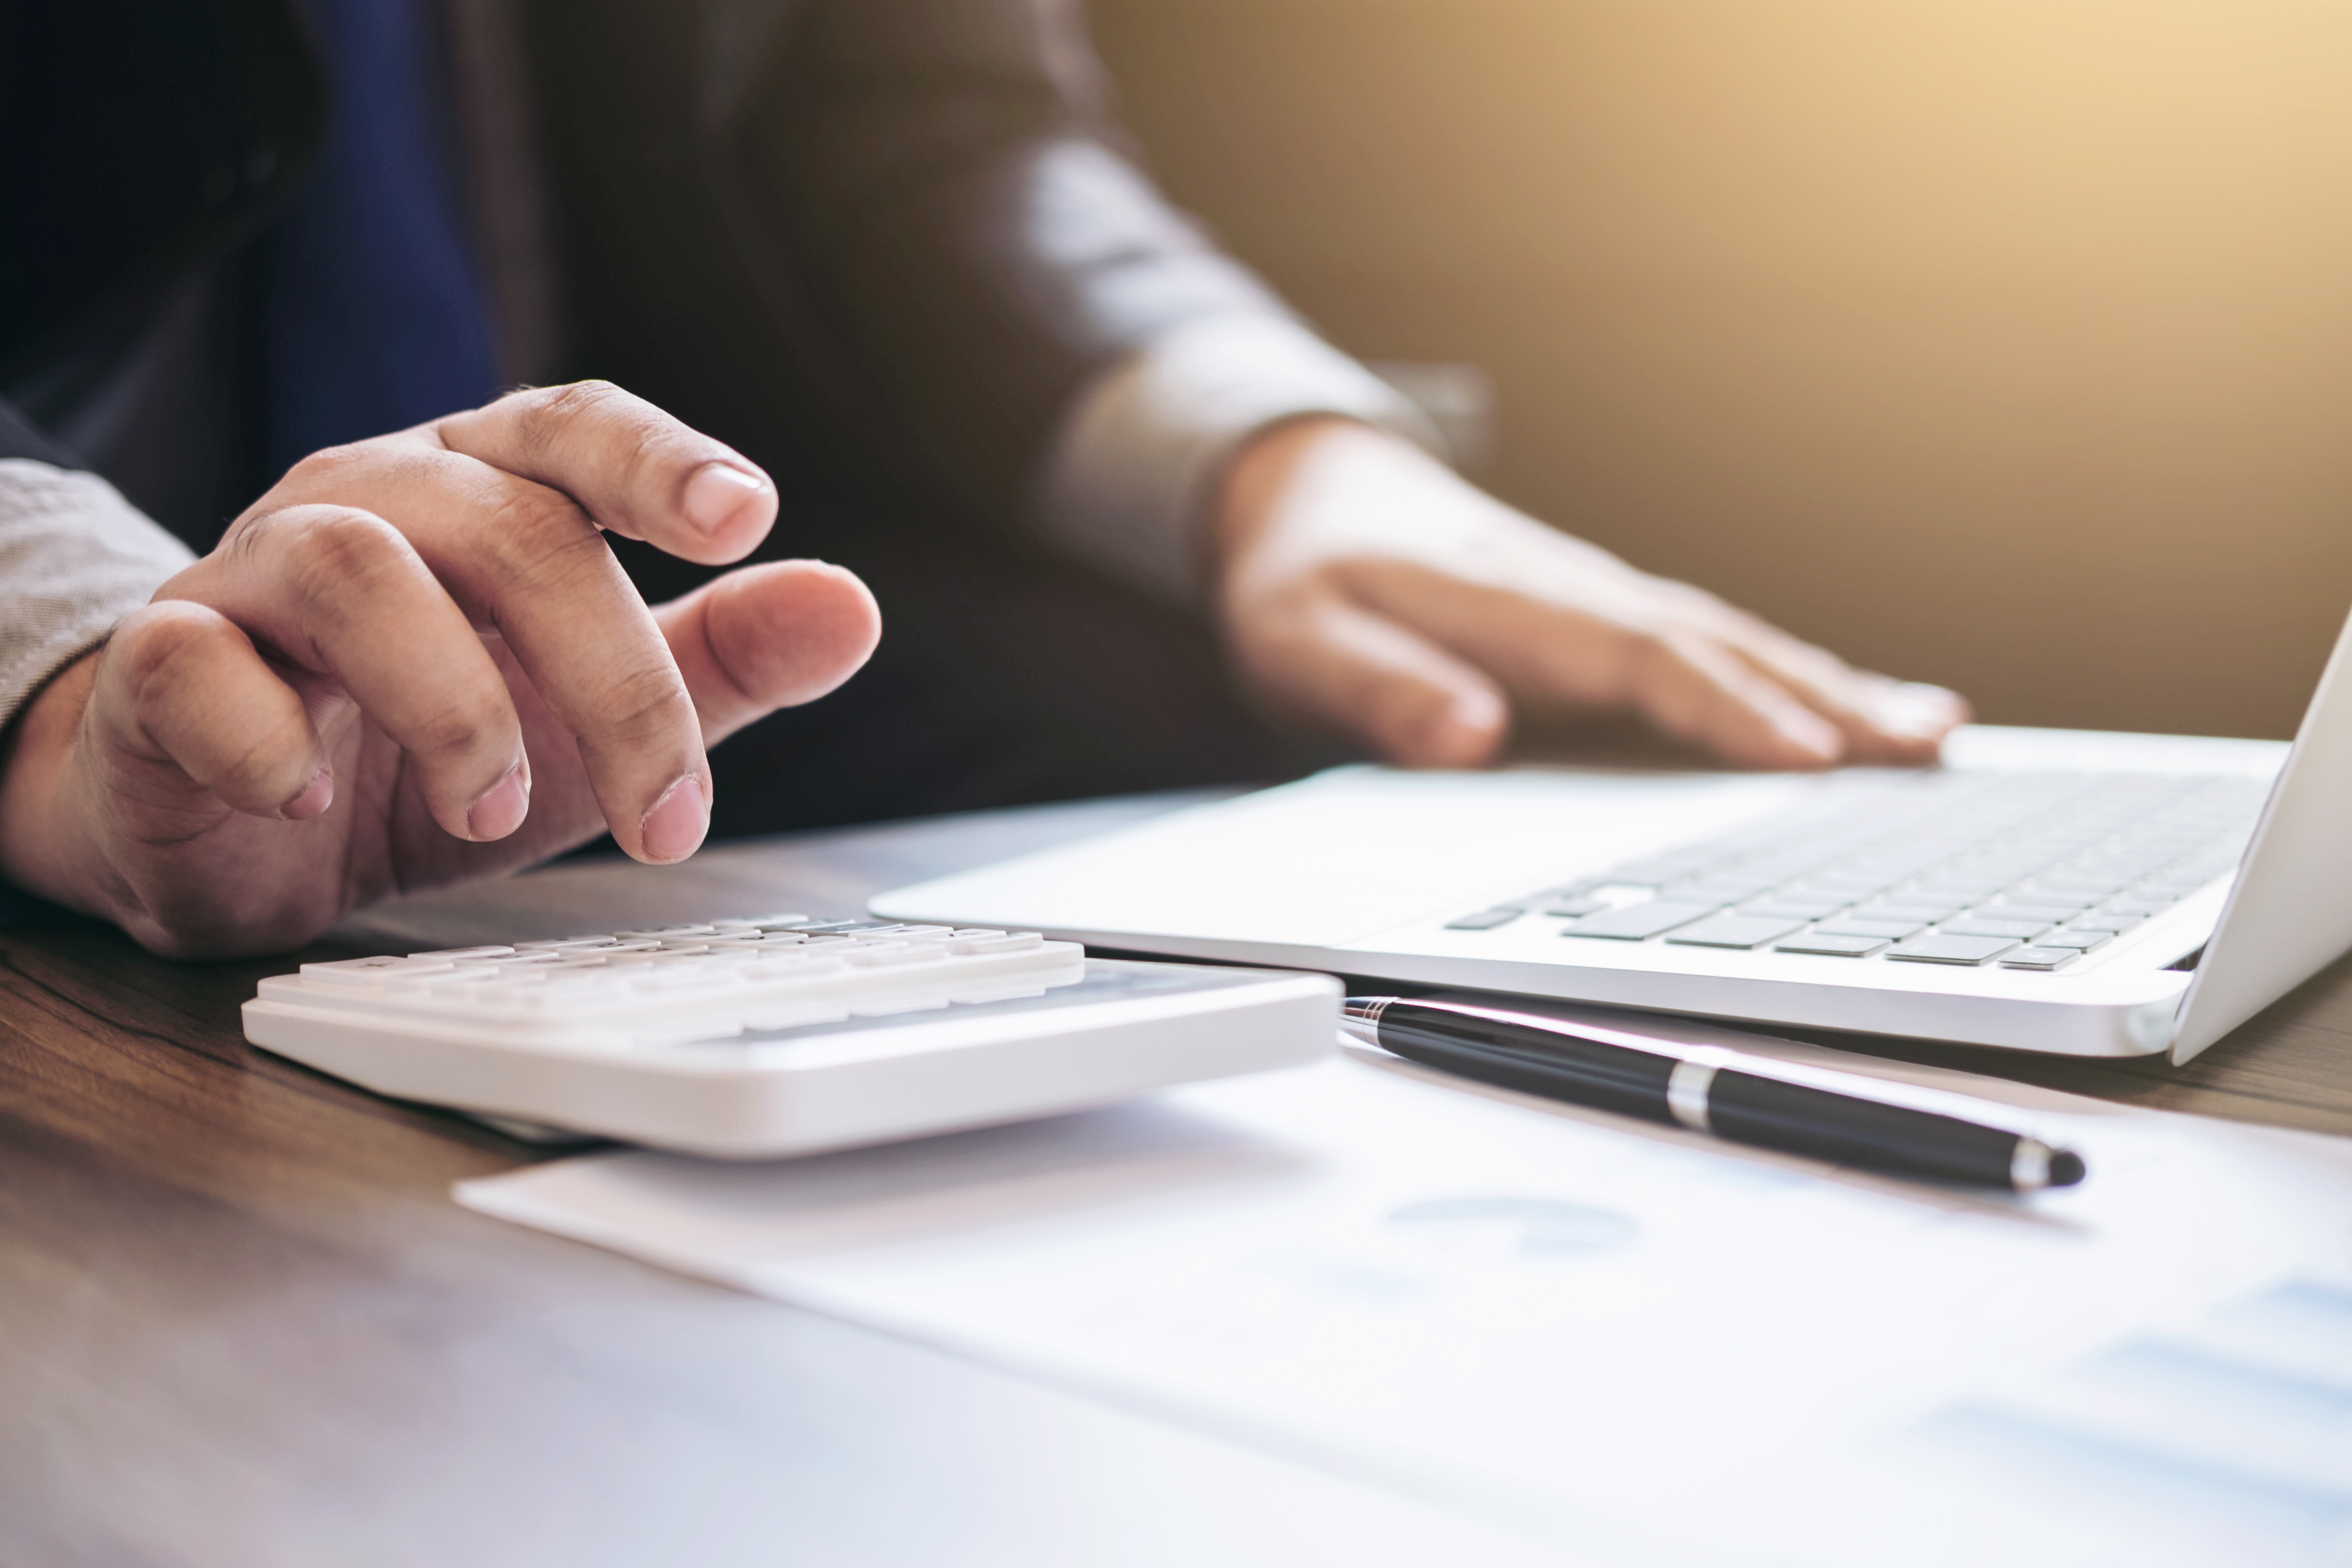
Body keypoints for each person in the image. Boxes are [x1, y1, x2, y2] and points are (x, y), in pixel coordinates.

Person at [0, 0, 1965, 959]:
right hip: (89, 633)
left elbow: (920, 105)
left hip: (640, 629)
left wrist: (1281, 464)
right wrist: (70, 664)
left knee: (1253, 740)